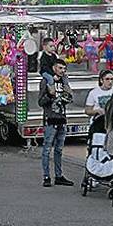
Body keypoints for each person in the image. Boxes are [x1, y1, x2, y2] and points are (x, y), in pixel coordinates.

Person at [38, 58, 74, 187]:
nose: (62, 71)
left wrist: (67, 96)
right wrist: (50, 95)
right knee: (47, 149)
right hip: (50, 120)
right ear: (54, 68)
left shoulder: (65, 82)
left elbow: (70, 98)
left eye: (64, 69)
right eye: (60, 68)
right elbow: (40, 102)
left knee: (59, 149)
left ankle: (59, 176)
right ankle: (46, 176)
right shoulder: (46, 82)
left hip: (62, 119)